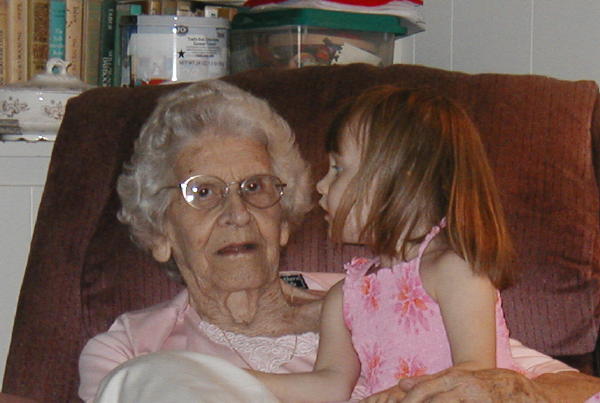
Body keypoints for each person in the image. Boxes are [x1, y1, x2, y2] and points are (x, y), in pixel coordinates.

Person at [79, 80, 600, 403]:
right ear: (159, 232)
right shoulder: (129, 348)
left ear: (284, 217)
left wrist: (511, 393)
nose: (236, 213)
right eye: (203, 192)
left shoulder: (413, 284)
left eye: (256, 188)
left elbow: (550, 383)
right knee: (153, 381)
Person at [250, 86, 523, 402]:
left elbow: (477, 375)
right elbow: (329, 385)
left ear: (401, 177)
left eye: (338, 168)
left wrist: (404, 394)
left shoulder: (453, 270)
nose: (321, 186)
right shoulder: (346, 296)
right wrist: (229, 378)